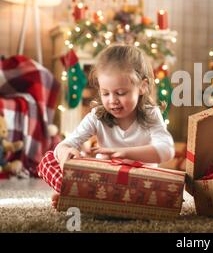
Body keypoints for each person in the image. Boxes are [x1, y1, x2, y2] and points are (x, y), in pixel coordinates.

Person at [38, 44, 175, 207]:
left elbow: (167, 151)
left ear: (142, 87)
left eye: (121, 93)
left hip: (140, 184)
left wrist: (122, 153)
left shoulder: (151, 114)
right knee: (48, 160)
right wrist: (66, 153)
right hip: (103, 183)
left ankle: (79, 198)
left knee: (165, 186)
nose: (112, 100)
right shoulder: (97, 116)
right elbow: (66, 144)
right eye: (105, 93)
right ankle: (81, 196)